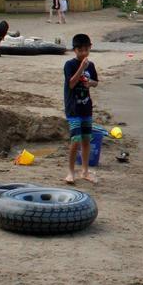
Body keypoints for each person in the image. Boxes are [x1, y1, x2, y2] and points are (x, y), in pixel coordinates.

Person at [64, 33, 99, 183]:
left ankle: (84, 171)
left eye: (87, 49)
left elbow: (96, 82)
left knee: (86, 140)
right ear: (75, 50)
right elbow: (71, 83)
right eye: (81, 50)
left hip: (86, 107)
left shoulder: (91, 65)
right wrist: (81, 68)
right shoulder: (70, 64)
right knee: (76, 140)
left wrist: (89, 83)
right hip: (73, 108)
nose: (84, 53)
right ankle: (70, 172)